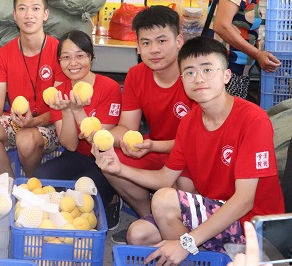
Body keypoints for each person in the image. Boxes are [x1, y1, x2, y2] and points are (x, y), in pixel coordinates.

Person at [93, 36, 284, 263]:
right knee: (138, 234)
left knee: (164, 201)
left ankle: (200, 255)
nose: (199, 78)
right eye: (190, 72)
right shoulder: (190, 121)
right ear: (182, 80)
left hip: (255, 225)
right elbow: (165, 178)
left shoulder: (253, 120)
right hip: (215, 208)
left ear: (226, 76)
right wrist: (118, 169)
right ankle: (210, 256)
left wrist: (187, 243)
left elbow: (244, 200)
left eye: (207, 69)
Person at [91, 5, 194, 226]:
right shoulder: (136, 75)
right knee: (110, 160)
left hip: (190, 154)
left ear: (179, 40)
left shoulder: (194, 76)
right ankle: (150, 218)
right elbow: (127, 127)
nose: (154, 50)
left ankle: (177, 223)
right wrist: (100, 137)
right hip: (154, 148)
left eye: (161, 40)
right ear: (137, 47)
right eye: (146, 43)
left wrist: (154, 146)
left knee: (183, 187)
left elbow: (199, 141)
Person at [33, 30, 122, 229]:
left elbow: (100, 142)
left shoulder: (110, 87)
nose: (73, 63)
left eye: (80, 55)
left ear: (91, 57)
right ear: (59, 61)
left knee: (80, 191)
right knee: (41, 178)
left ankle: (113, 198)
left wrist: (78, 111)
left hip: (104, 159)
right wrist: (67, 110)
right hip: (76, 156)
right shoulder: (58, 93)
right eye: (66, 57)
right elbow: (71, 145)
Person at [0, 0, 66, 177]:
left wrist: (34, 121)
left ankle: (31, 185)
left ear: (45, 14)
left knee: (25, 139)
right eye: (22, 9)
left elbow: (60, 109)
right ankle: (11, 184)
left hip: (52, 123)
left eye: (36, 9)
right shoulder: (3, 54)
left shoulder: (60, 52)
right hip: (17, 121)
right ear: (15, 15)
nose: (29, 15)